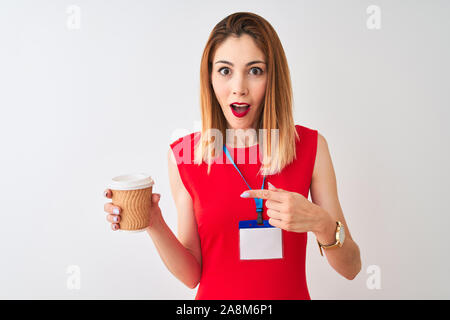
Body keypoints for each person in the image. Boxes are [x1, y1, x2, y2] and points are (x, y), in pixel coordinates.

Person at [103, 12, 361, 300]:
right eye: (225, 71)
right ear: (210, 78)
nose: (239, 87)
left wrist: (320, 223)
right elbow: (192, 276)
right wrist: (153, 222)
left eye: (255, 70)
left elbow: (351, 268)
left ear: (272, 77)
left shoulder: (311, 146)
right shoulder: (185, 156)